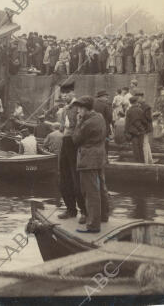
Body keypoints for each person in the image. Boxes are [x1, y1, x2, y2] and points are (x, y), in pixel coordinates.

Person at [72, 96, 109, 233]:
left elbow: (75, 139)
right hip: (100, 157)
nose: (78, 111)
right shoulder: (99, 117)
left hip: (88, 160)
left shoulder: (86, 123)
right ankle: (104, 216)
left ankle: (93, 225)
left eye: (79, 108)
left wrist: (78, 122)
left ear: (84, 109)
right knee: (101, 189)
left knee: (91, 192)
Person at [57, 97, 87, 221]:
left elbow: (81, 128)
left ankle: (84, 211)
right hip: (65, 141)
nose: (64, 96)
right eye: (63, 93)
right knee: (63, 177)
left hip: (74, 143)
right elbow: (62, 127)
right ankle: (70, 209)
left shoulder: (79, 107)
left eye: (67, 92)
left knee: (77, 179)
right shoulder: (64, 109)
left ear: (73, 92)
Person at [125, 96, 147, 163]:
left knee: (135, 149)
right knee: (141, 148)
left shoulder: (128, 111)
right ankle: (142, 162)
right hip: (140, 132)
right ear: (136, 102)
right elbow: (144, 121)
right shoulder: (140, 110)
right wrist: (142, 129)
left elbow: (127, 123)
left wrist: (126, 132)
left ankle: (137, 163)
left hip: (133, 133)